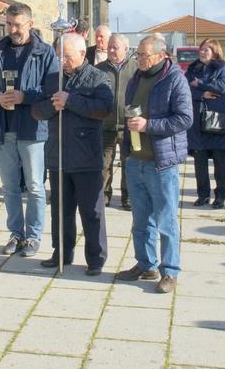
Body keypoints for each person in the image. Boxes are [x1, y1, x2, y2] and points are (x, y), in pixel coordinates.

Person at [0, 3, 59, 258]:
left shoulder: (45, 53)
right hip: (3, 128)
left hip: (33, 128)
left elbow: (52, 89)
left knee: (35, 186)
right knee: (10, 186)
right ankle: (16, 233)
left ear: (30, 24)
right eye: (9, 24)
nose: (12, 29)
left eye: (17, 24)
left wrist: (25, 96)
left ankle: (33, 236)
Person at [115, 36, 193, 293]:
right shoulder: (137, 77)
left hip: (161, 162)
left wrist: (149, 125)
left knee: (166, 219)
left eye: (144, 55)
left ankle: (169, 271)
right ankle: (145, 264)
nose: (139, 59)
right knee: (140, 218)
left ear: (161, 56)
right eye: (138, 55)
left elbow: (184, 119)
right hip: (136, 160)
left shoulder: (175, 80)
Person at [32, 34, 113, 274]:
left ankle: (96, 259)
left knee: (91, 212)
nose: (63, 60)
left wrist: (71, 101)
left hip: (86, 157)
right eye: (60, 55)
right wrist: (52, 106)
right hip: (58, 157)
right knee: (61, 212)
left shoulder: (98, 78)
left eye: (67, 56)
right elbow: (37, 110)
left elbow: (103, 109)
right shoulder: (52, 79)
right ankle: (62, 253)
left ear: (82, 54)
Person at [185, 38, 225, 208]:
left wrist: (200, 84)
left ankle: (220, 195)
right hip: (198, 122)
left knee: (220, 161)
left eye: (206, 50)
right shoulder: (192, 68)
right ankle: (203, 195)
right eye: (201, 49)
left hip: (217, 121)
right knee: (200, 161)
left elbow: (222, 87)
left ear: (215, 51)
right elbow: (185, 88)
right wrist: (201, 94)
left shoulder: (222, 68)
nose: (202, 52)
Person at [96, 34, 137, 210]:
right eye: (110, 46)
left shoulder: (136, 69)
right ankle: (104, 196)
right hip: (105, 125)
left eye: (115, 47)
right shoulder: (99, 69)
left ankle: (128, 197)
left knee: (130, 163)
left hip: (131, 126)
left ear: (126, 49)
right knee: (104, 164)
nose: (111, 50)